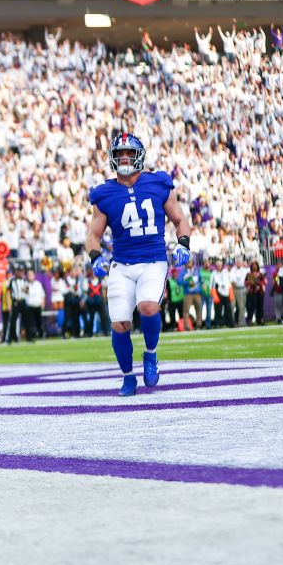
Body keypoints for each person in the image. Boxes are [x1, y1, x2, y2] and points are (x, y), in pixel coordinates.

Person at [85, 133, 193, 396]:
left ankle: (151, 355)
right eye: (119, 154)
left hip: (153, 260)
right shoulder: (104, 194)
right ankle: (127, 377)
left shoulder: (158, 183)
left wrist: (183, 243)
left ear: (139, 157)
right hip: (121, 264)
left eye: (129, 154)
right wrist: (95, 257)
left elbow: (180, 219)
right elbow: (93, 235)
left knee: (148, 306)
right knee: (120, 323)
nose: (124, 158)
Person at [23, 269, 46, 341]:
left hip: (37, 305)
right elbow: (25, 293)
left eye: (31, 274)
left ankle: (41, 334)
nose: (30, 276)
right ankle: (29, 337)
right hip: (30, 306)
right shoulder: (26, 284)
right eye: (29, 275)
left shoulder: (38, 284)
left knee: (39, 322)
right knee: (28, 322)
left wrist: (43, 303)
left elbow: (42, 294)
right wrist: (25, 289)